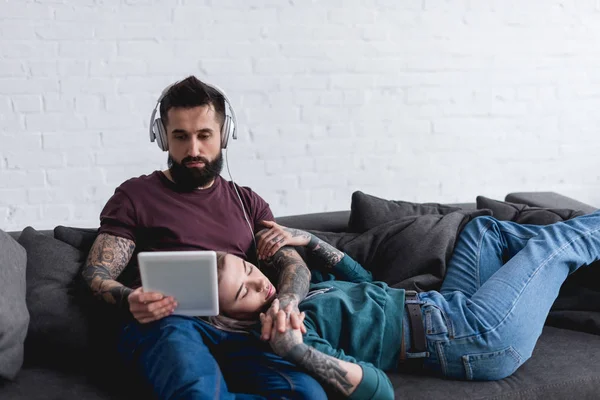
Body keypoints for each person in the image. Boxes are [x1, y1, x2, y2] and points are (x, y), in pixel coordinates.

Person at [81, 76, 327, 399]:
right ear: (162, 137)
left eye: (204, 136)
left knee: (309, 395)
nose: (193, 149)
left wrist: (286, 302)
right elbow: (95, 273)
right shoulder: (134, 196)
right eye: (180, 137)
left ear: (224, 136)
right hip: (170, 325)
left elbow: (295, 267)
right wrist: (129, 298)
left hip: (246, 330)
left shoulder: (247, 202)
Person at [214, 212, 600, 400]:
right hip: (476, 336)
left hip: (447, 304)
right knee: (556, 244)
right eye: (244, 292)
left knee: (484, 229)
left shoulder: (295, 294)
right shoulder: (286, 335)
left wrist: (309, 241)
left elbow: (365, 281)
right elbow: (381, 391)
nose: (260, 283)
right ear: (227, 315)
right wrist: (297, 350)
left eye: (250, 270)